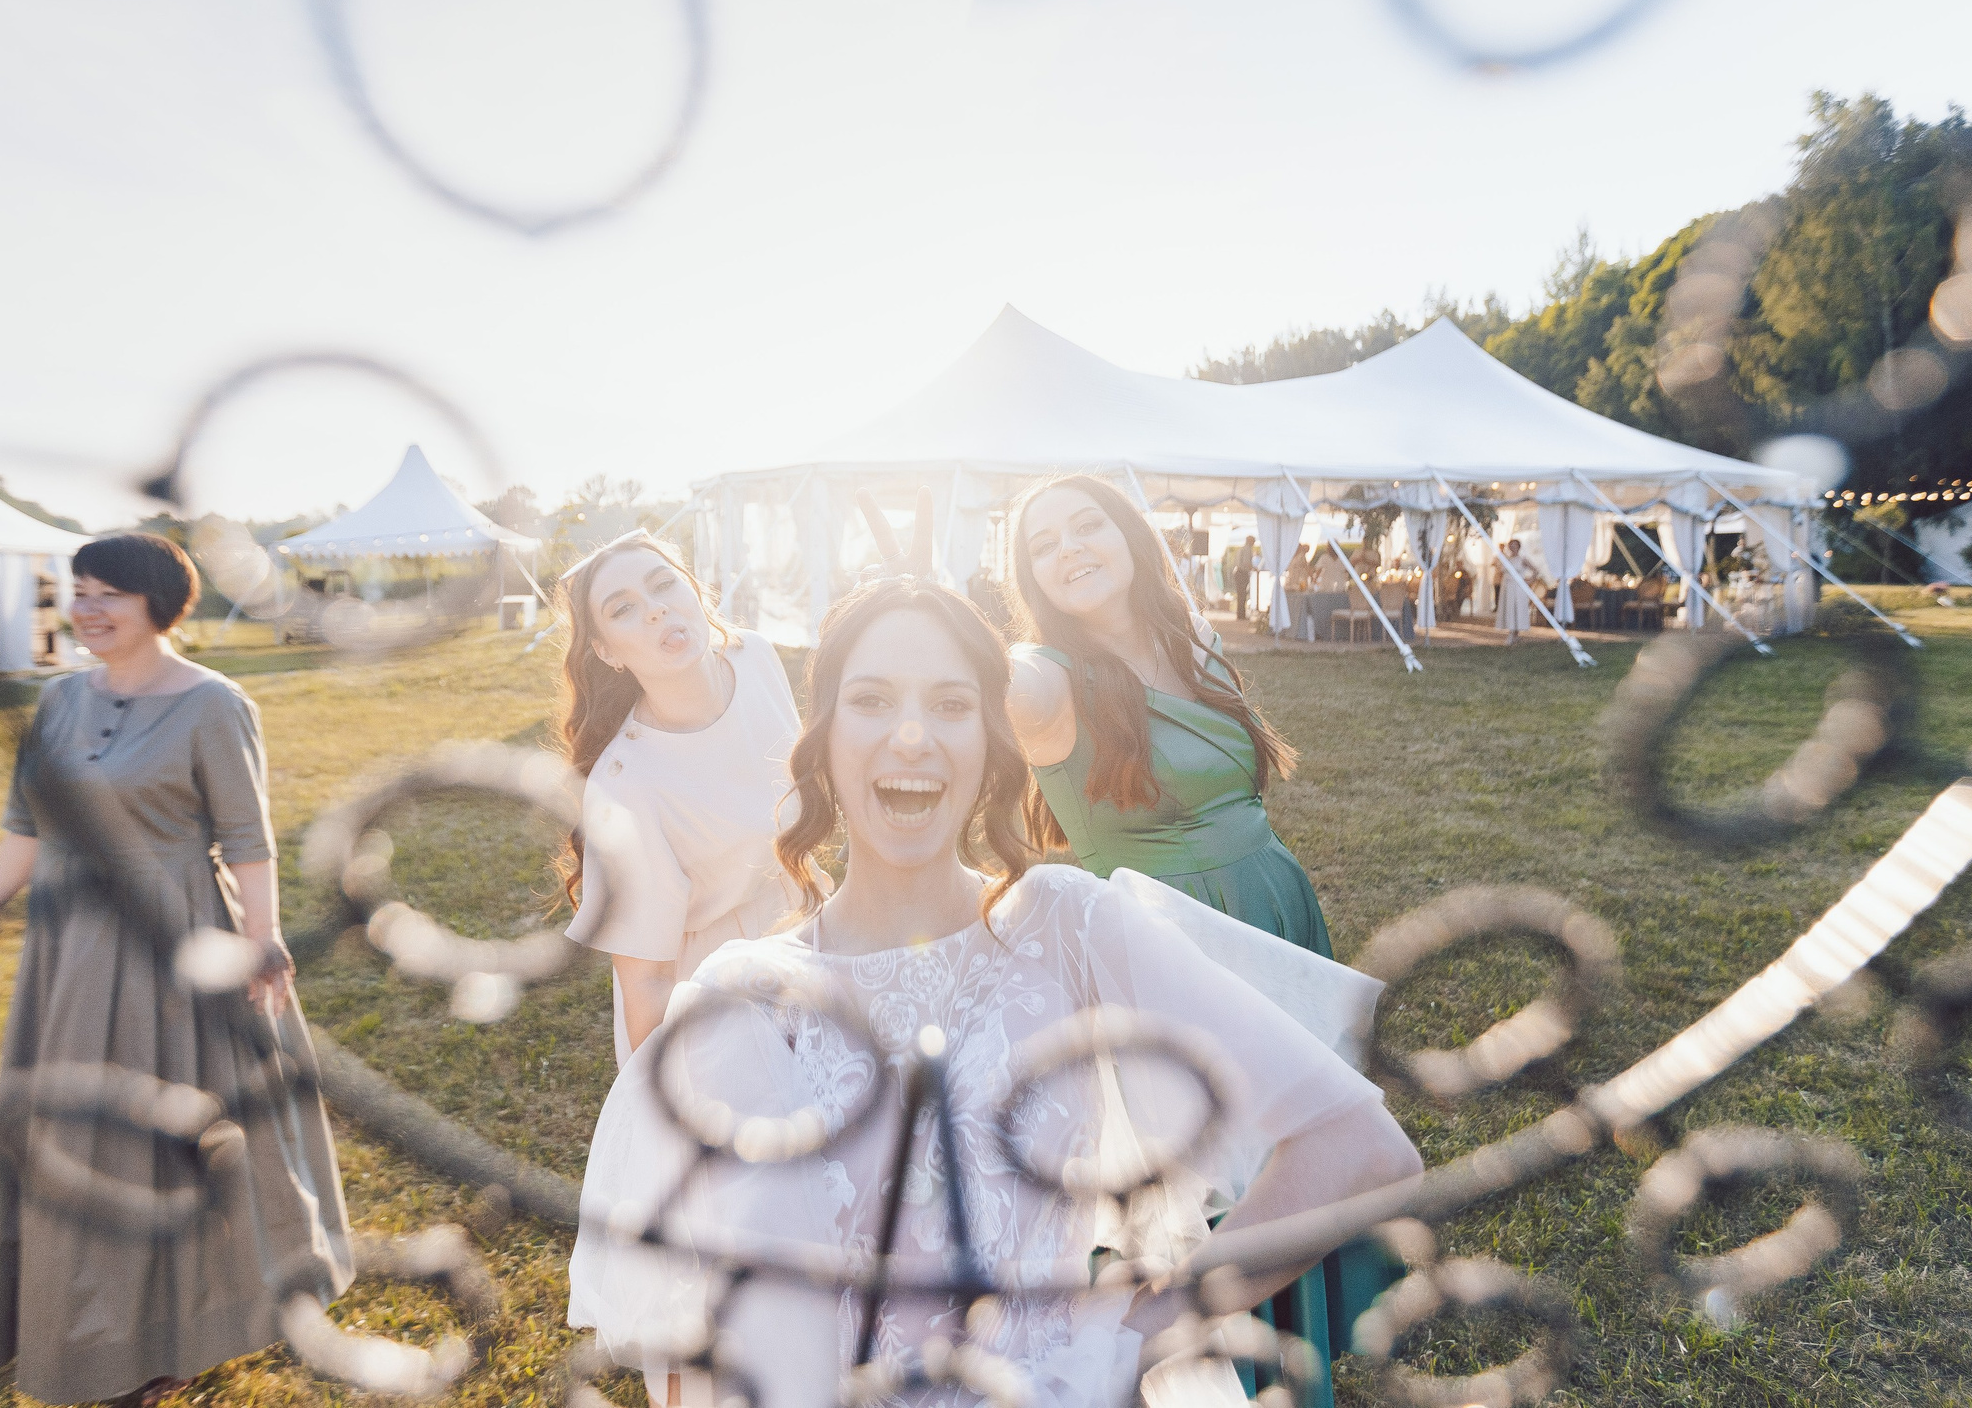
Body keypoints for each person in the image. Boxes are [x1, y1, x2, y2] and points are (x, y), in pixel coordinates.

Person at [568, 577, 1423, 1408]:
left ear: (990, 747)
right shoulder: (747, 995)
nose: (911, 736)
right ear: (823, 739)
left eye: (950, 703)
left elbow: (1359, 1147)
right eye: (872, 700)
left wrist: (1134, 1334)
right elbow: (698, 1342)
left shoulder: (1068, 926)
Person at [0, 533, 352, 1407]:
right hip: (69, 952)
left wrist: (262, 938)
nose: (87, 608)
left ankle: (173, 1336)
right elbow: (26, 826)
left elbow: (246, 838)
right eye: (77, 591)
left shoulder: (213, 704)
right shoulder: (52, 703)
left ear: (162, 601)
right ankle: (89, 1330)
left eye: (106, 592)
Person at [998, 474, 1396, 1402]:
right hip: (1170, 954)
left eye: (1086, 524)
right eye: (1043, 543)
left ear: (1130, 533)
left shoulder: (1196, 639)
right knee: (1225, 1185)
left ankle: (1308, 1357)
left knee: (1310, 1144)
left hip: (1271, 915)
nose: (1070, 548)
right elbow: (984, 682)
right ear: (1033, 578)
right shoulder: (1045, 680)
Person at [553, 531, 812, 1064]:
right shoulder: (621, 788)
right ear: (606, 652)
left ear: (696, 591)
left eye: (664, 584)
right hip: (711, 1000)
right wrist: (669, 1109)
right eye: (623, 609)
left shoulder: (757, 658)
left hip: (807, 933)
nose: (655, 611)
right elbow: (646, 984)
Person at [1494, 537, 1541, 645]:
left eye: (1515, 546)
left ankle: (1514, 633)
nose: (1513, 548)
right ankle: (1512, 632)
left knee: (1516, 608)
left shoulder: (1522, 559)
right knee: (1509, 608)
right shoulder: (1506, 559)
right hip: (1507, 586)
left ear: (1518, 547)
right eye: (1511, 546)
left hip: (1517, 587)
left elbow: (1535, 570)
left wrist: (1529, 581)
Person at [1223, 535, 1258, 623]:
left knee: (1240, 594)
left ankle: (1240, 613)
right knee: (1242, 594)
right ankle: (1241, 615)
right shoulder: (1247, 549)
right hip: (1242, 573)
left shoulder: (1241, 549)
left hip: (1238, 572)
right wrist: (1254, 568)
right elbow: (1246, 562)